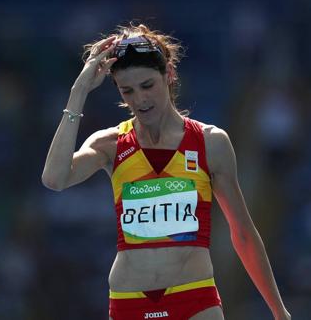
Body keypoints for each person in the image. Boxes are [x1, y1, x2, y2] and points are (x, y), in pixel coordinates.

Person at [42, 23, 291, 320]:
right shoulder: (110, 144)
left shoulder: (210, 143)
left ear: (169, 74)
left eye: (148, 86)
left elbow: (243, 233)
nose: (140, 100)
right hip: (128, 302)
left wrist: (279, 312)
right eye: (128, 90)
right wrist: (79, 89)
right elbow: (55, 178)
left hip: (194, 299)